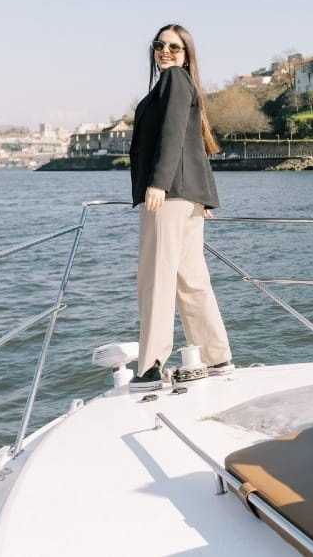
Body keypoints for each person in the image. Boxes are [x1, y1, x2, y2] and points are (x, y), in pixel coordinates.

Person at [128, 24, 233, 391]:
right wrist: (202, 197)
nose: (165, 51)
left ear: (187, 54)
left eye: (175, 46)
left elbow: (172, 135)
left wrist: (157, 183)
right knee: (191, 280)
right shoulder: (182, 84)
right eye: (160, 45)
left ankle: (151, 366)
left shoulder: (173, 80)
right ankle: (216, 356)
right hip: (184, 196)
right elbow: (194, 143)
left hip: (167, 195)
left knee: (156, 279)